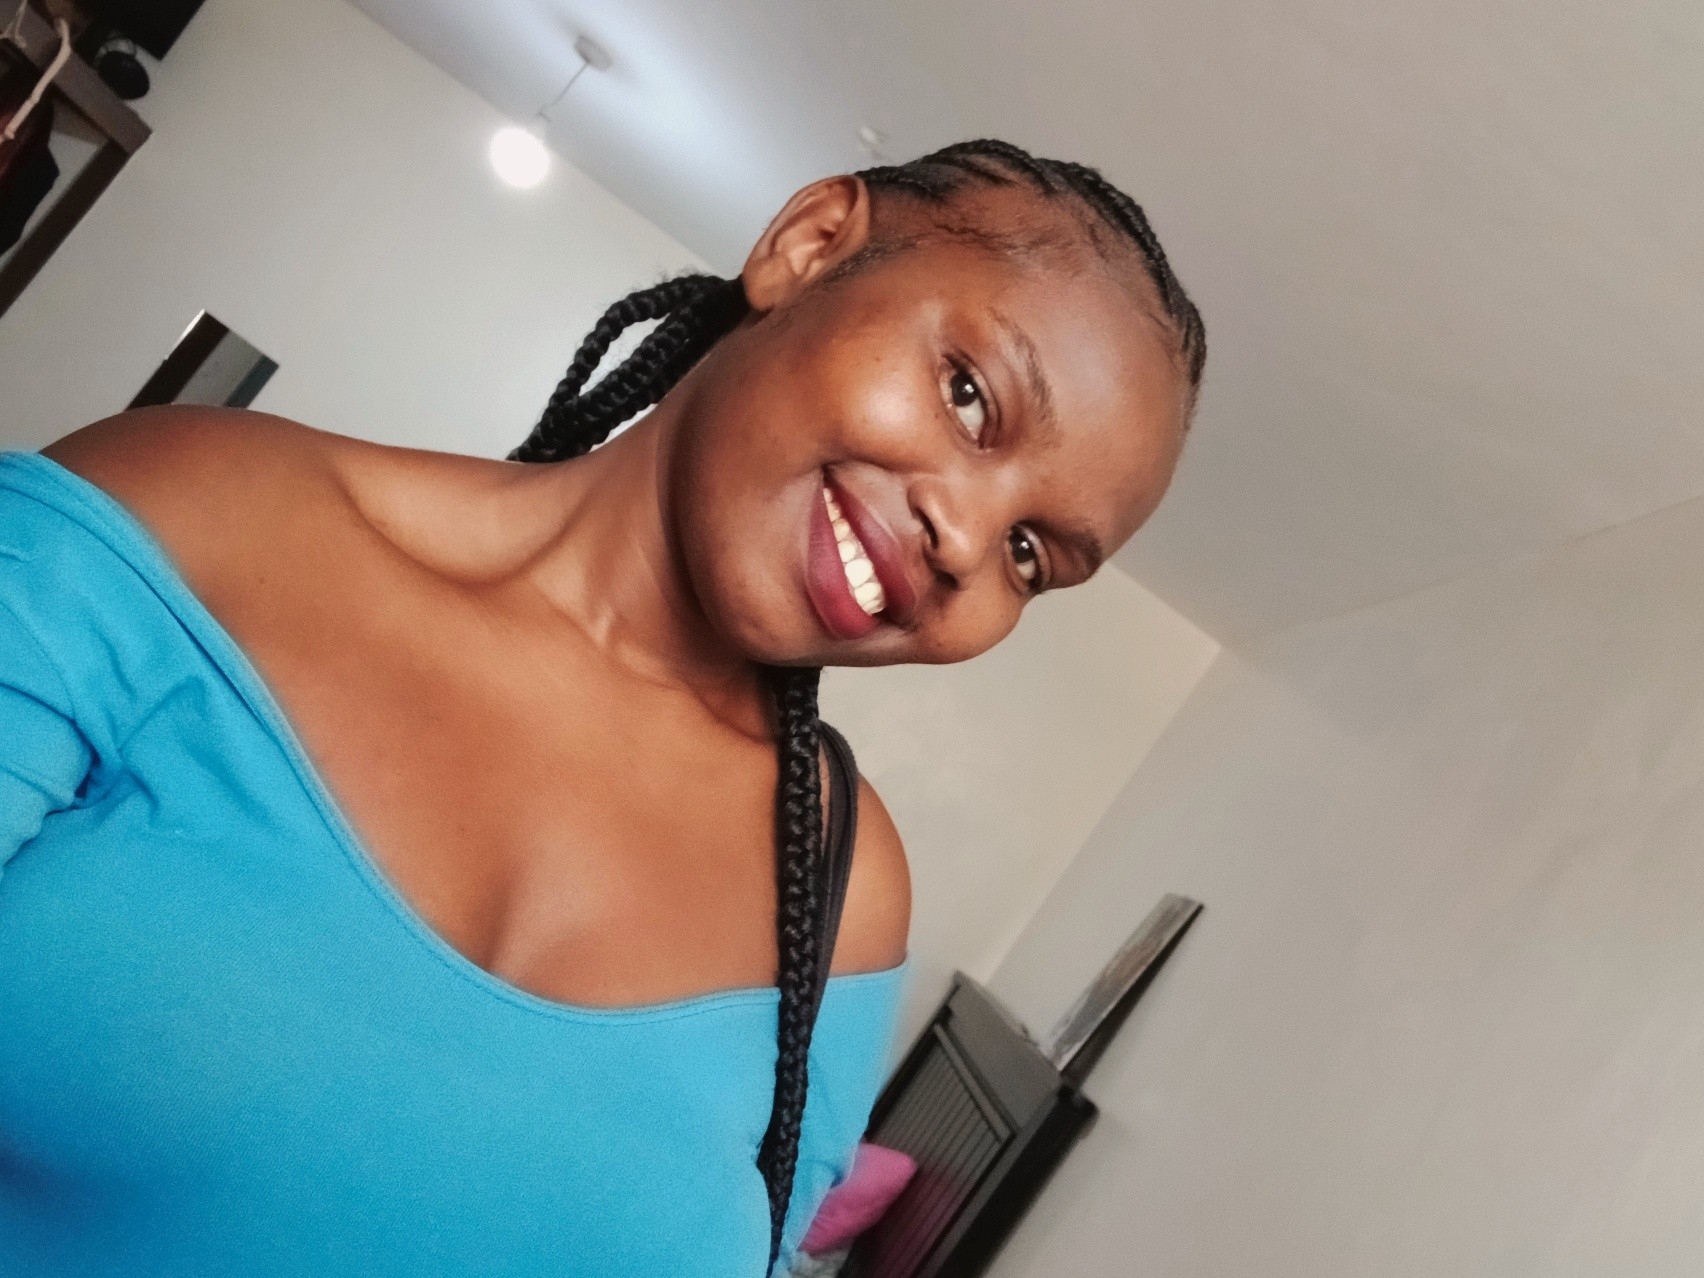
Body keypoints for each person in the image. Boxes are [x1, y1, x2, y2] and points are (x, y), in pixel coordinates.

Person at [0, 139, 1204, 1276]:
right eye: (970, 394)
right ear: (809, 245)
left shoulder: (842, 892)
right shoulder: (204, 517)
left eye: (1033, 555)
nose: (967, 540)